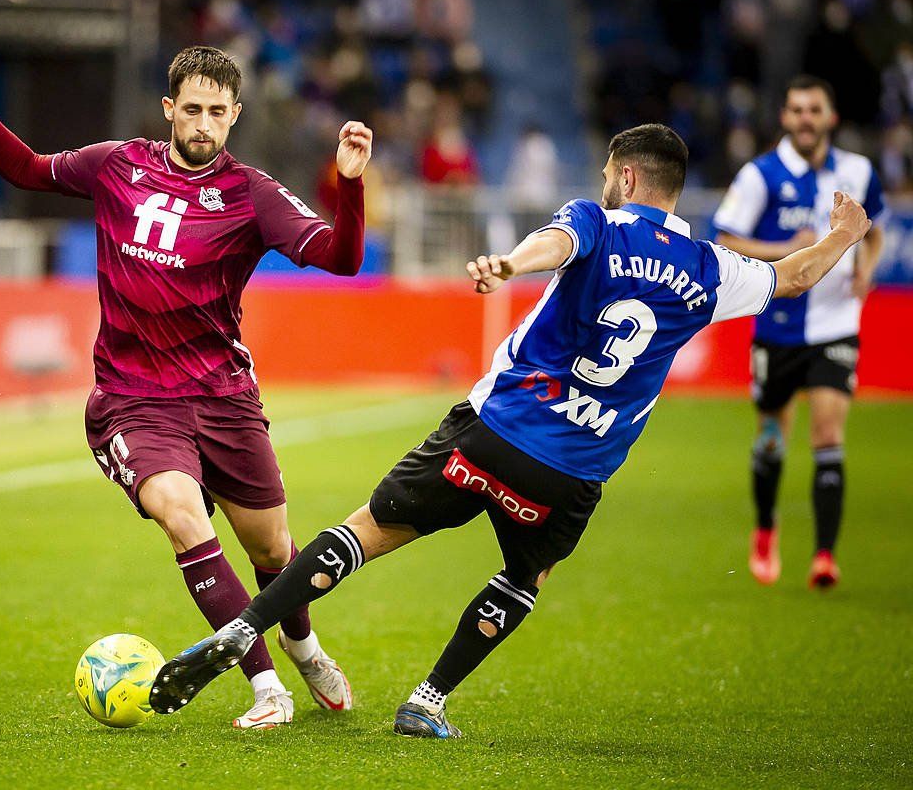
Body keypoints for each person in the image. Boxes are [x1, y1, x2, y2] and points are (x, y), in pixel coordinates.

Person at [149, 124, 872, 737]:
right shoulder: (709, 268)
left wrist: (508, 265)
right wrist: (844, 233)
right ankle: (427, 700)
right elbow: (796, 276)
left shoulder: (596, 218)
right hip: (572, 470)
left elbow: (555, 242)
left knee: (369, 529)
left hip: (493, 430)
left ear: (624, 176)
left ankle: (243, 630)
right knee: (528, 574)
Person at [0, 45, 373, 728]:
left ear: (235, 117)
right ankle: (266, 687)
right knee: (183, 515)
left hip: (223, 397)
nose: (203, 123)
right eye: (191, 109)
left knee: (272, 551)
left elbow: (339, 258)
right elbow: (26, 169)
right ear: (170, 109)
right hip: (134, 400)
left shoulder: (251, 193)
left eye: (216, 113)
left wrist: (349, 183)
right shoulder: (116, 164)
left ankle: (303, 644)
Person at [713, 75, 885, 589]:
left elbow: (872, 230)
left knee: (829, 432)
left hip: (836, 324)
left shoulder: (858, 170)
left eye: (814, 109)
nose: (804, 119)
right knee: (771, 439)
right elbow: (726, 239)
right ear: (785, 118)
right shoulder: (760, 175)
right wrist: (788, 248)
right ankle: (765, 528)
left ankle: (824, 557)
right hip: (778, 325)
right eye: (795, 110)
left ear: (830, 117)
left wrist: (866, 268)